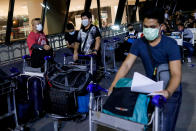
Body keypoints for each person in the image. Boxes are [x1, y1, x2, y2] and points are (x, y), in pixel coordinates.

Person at [109, 7, 182, 131]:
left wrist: (168, 92)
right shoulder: (139, 43)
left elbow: (176, 74)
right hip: (150, 88)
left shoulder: (170, 45)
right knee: (146, 122)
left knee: (164, 126)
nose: (148, 30)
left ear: (162, 27)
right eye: (145, 26)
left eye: (152, 27)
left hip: (170, 90)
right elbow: (126, 65)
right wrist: (113, 86)